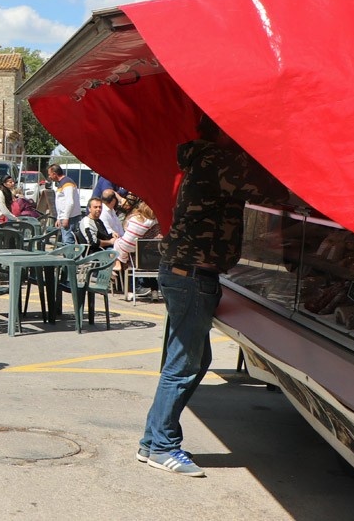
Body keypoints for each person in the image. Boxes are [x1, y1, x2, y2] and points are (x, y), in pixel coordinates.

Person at [139, 114, 285, 477]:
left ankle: (151, 442)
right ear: (221, 127)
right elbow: (274, 192)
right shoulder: (220, 161)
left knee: (191, 360)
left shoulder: (201, 157)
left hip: (183, 271)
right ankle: (162, 445)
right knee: (184, 364)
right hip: (192, 274)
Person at [47, 165, 82, 244]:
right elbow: (61, 202)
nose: (49, 176)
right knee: (66, 240)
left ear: (55, 174)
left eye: (50, 174)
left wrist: (65, 218)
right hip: (66, 217)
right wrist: (59, 218)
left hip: (70, 218)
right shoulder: (62, 183)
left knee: (68, 242)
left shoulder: (67, 183)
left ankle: (69, 256)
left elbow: (70, 202)